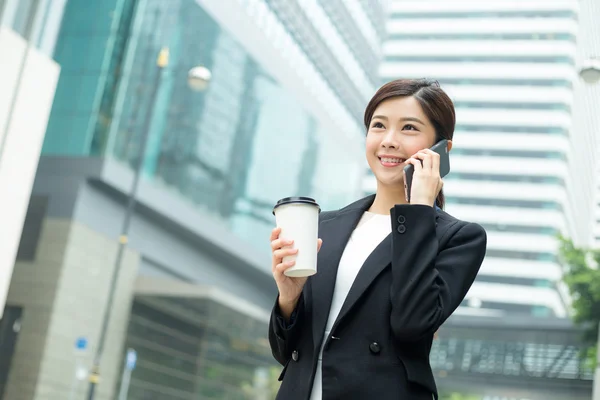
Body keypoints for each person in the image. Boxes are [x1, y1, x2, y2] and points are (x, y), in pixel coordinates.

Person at [268, 79, 487, 400]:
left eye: (409, 128)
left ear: (442, 149)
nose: (389, 141)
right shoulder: (324, 226)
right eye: (378, 126)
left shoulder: (457, 238)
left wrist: (419, 211)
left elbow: (411, 324)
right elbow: (285, 352)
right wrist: (288, 299)